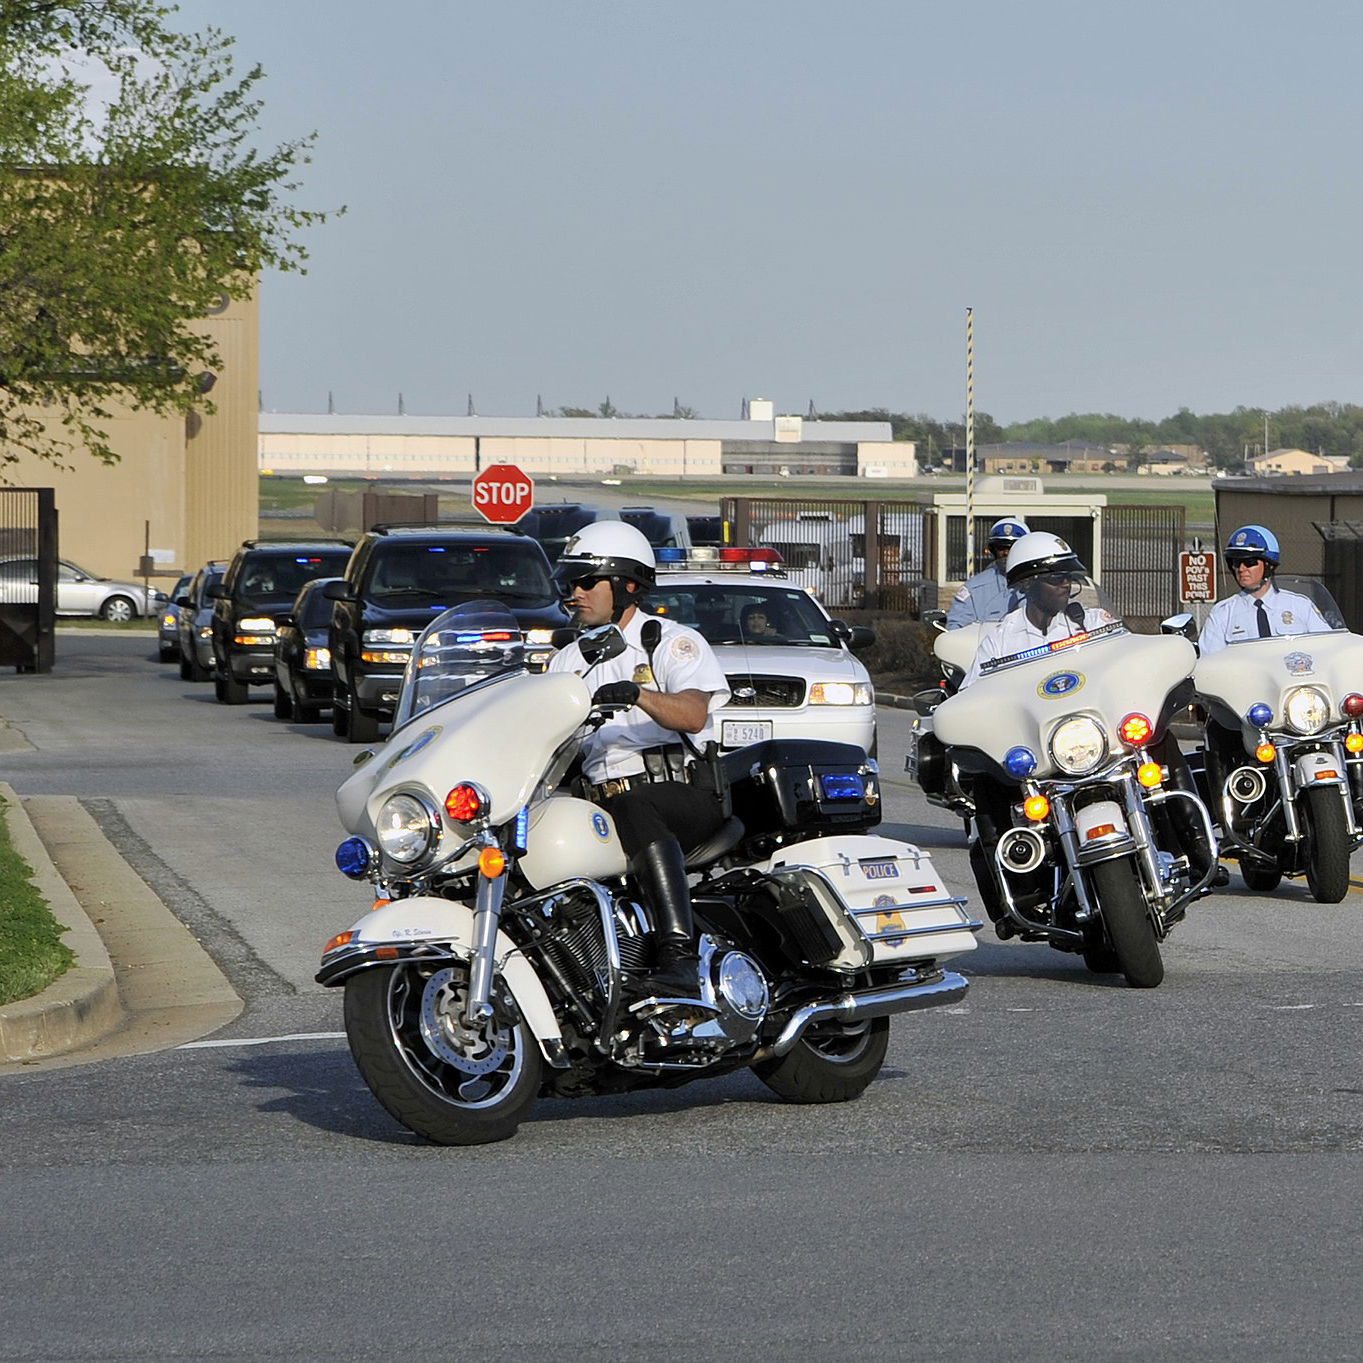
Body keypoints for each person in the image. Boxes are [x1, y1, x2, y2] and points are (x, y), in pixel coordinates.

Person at [547, 521, 730, 1004]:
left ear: (627, 584)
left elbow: (692, 714)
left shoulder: (669, 642)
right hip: (602, 805)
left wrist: (638, 694)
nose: (575, 593)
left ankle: (679, 960)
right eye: (571, 583)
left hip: (682, 795)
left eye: (588, 582)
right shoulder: (565, 661)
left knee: (635, 806)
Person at [960, 531, 1116, 689]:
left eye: (1068, 576)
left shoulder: (1093, 624)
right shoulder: (1001, 642)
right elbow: (970, 698)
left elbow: (1127, 660)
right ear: (1027, 583)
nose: (1066, 584)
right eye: (1056, 578)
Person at [1198, 525, 1333, 654]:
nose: (1241, 569)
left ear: (1269, 565)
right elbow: (1209, 663)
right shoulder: (1222, 614)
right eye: (1236, 563)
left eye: (1250, 562)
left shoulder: (1300, 606)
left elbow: (1328, 647)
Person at [945, 517, 1030, 628]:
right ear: (993, 550)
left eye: (1012, 547)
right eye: (1001, 548)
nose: (1006, 552)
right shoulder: (973, 589)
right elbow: (955, 629)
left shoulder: (1046, 584)